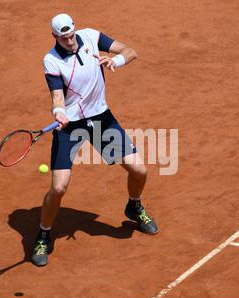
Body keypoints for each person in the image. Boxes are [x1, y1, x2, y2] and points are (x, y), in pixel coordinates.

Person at [32, 13, 159, 267]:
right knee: (58, 188)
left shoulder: (91, 36)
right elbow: (57, 98)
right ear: (54, 36)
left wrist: (116, 61)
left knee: (139, 171)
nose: (69, 41)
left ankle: (134, 206)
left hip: (101, 119)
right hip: (70, 127)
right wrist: (59, 113)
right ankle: (44, 234)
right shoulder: (52, 61)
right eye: (63, 37)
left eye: (71, 35)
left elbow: (131, 51)